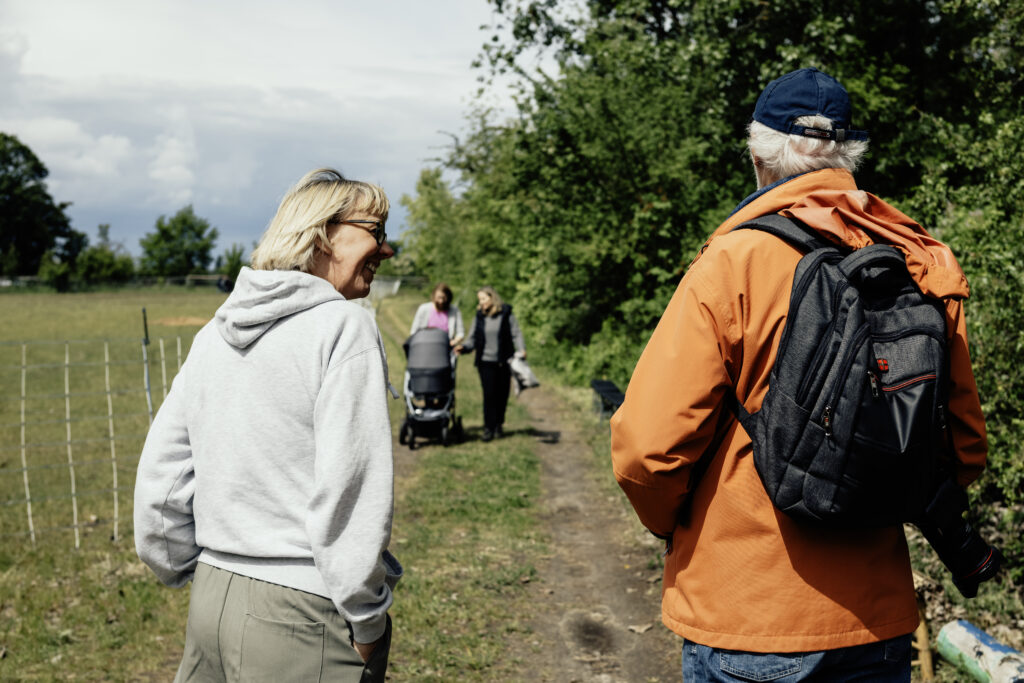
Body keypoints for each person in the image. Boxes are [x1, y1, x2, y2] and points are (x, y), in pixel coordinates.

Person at [610, 67, 987, 682]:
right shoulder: (920, 259)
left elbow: (647, 450)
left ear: (759, 156)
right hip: (878, 619)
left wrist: (670, 524)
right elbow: (963, 448)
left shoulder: (732, 262)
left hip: (746, 613)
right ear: (848, 159)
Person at [134, 167, 403, 683]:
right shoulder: (345, 328)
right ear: (325, 232)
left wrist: (187, 566)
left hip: (210, 599)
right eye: (377, 232)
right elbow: (351, 492)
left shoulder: (214, 333)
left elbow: (161, 482)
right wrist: (367, 624)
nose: (386, 251)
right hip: (301, 616)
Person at [455, 286, 526, 442]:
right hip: (485, 362)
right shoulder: (479, 316)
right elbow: (472, 338)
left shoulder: (506, 314)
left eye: (484, 299)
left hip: (503, 361)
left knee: (502, 395)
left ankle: (498, 425)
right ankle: (488, 428)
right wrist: (464, 348)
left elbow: (516, 333)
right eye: (479, 299)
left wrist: (522, 349)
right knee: (489, 395)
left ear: (492, 298)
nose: (481, 303)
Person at [409, 281, 465, 346]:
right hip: (425, 346)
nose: (441, 301)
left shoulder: (454, 311)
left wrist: (455, 341)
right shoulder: (423, 309)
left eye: (443, 298)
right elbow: (414, 331)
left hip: (446, 347)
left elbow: (460, 333)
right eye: (439, 298)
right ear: (434, 296)